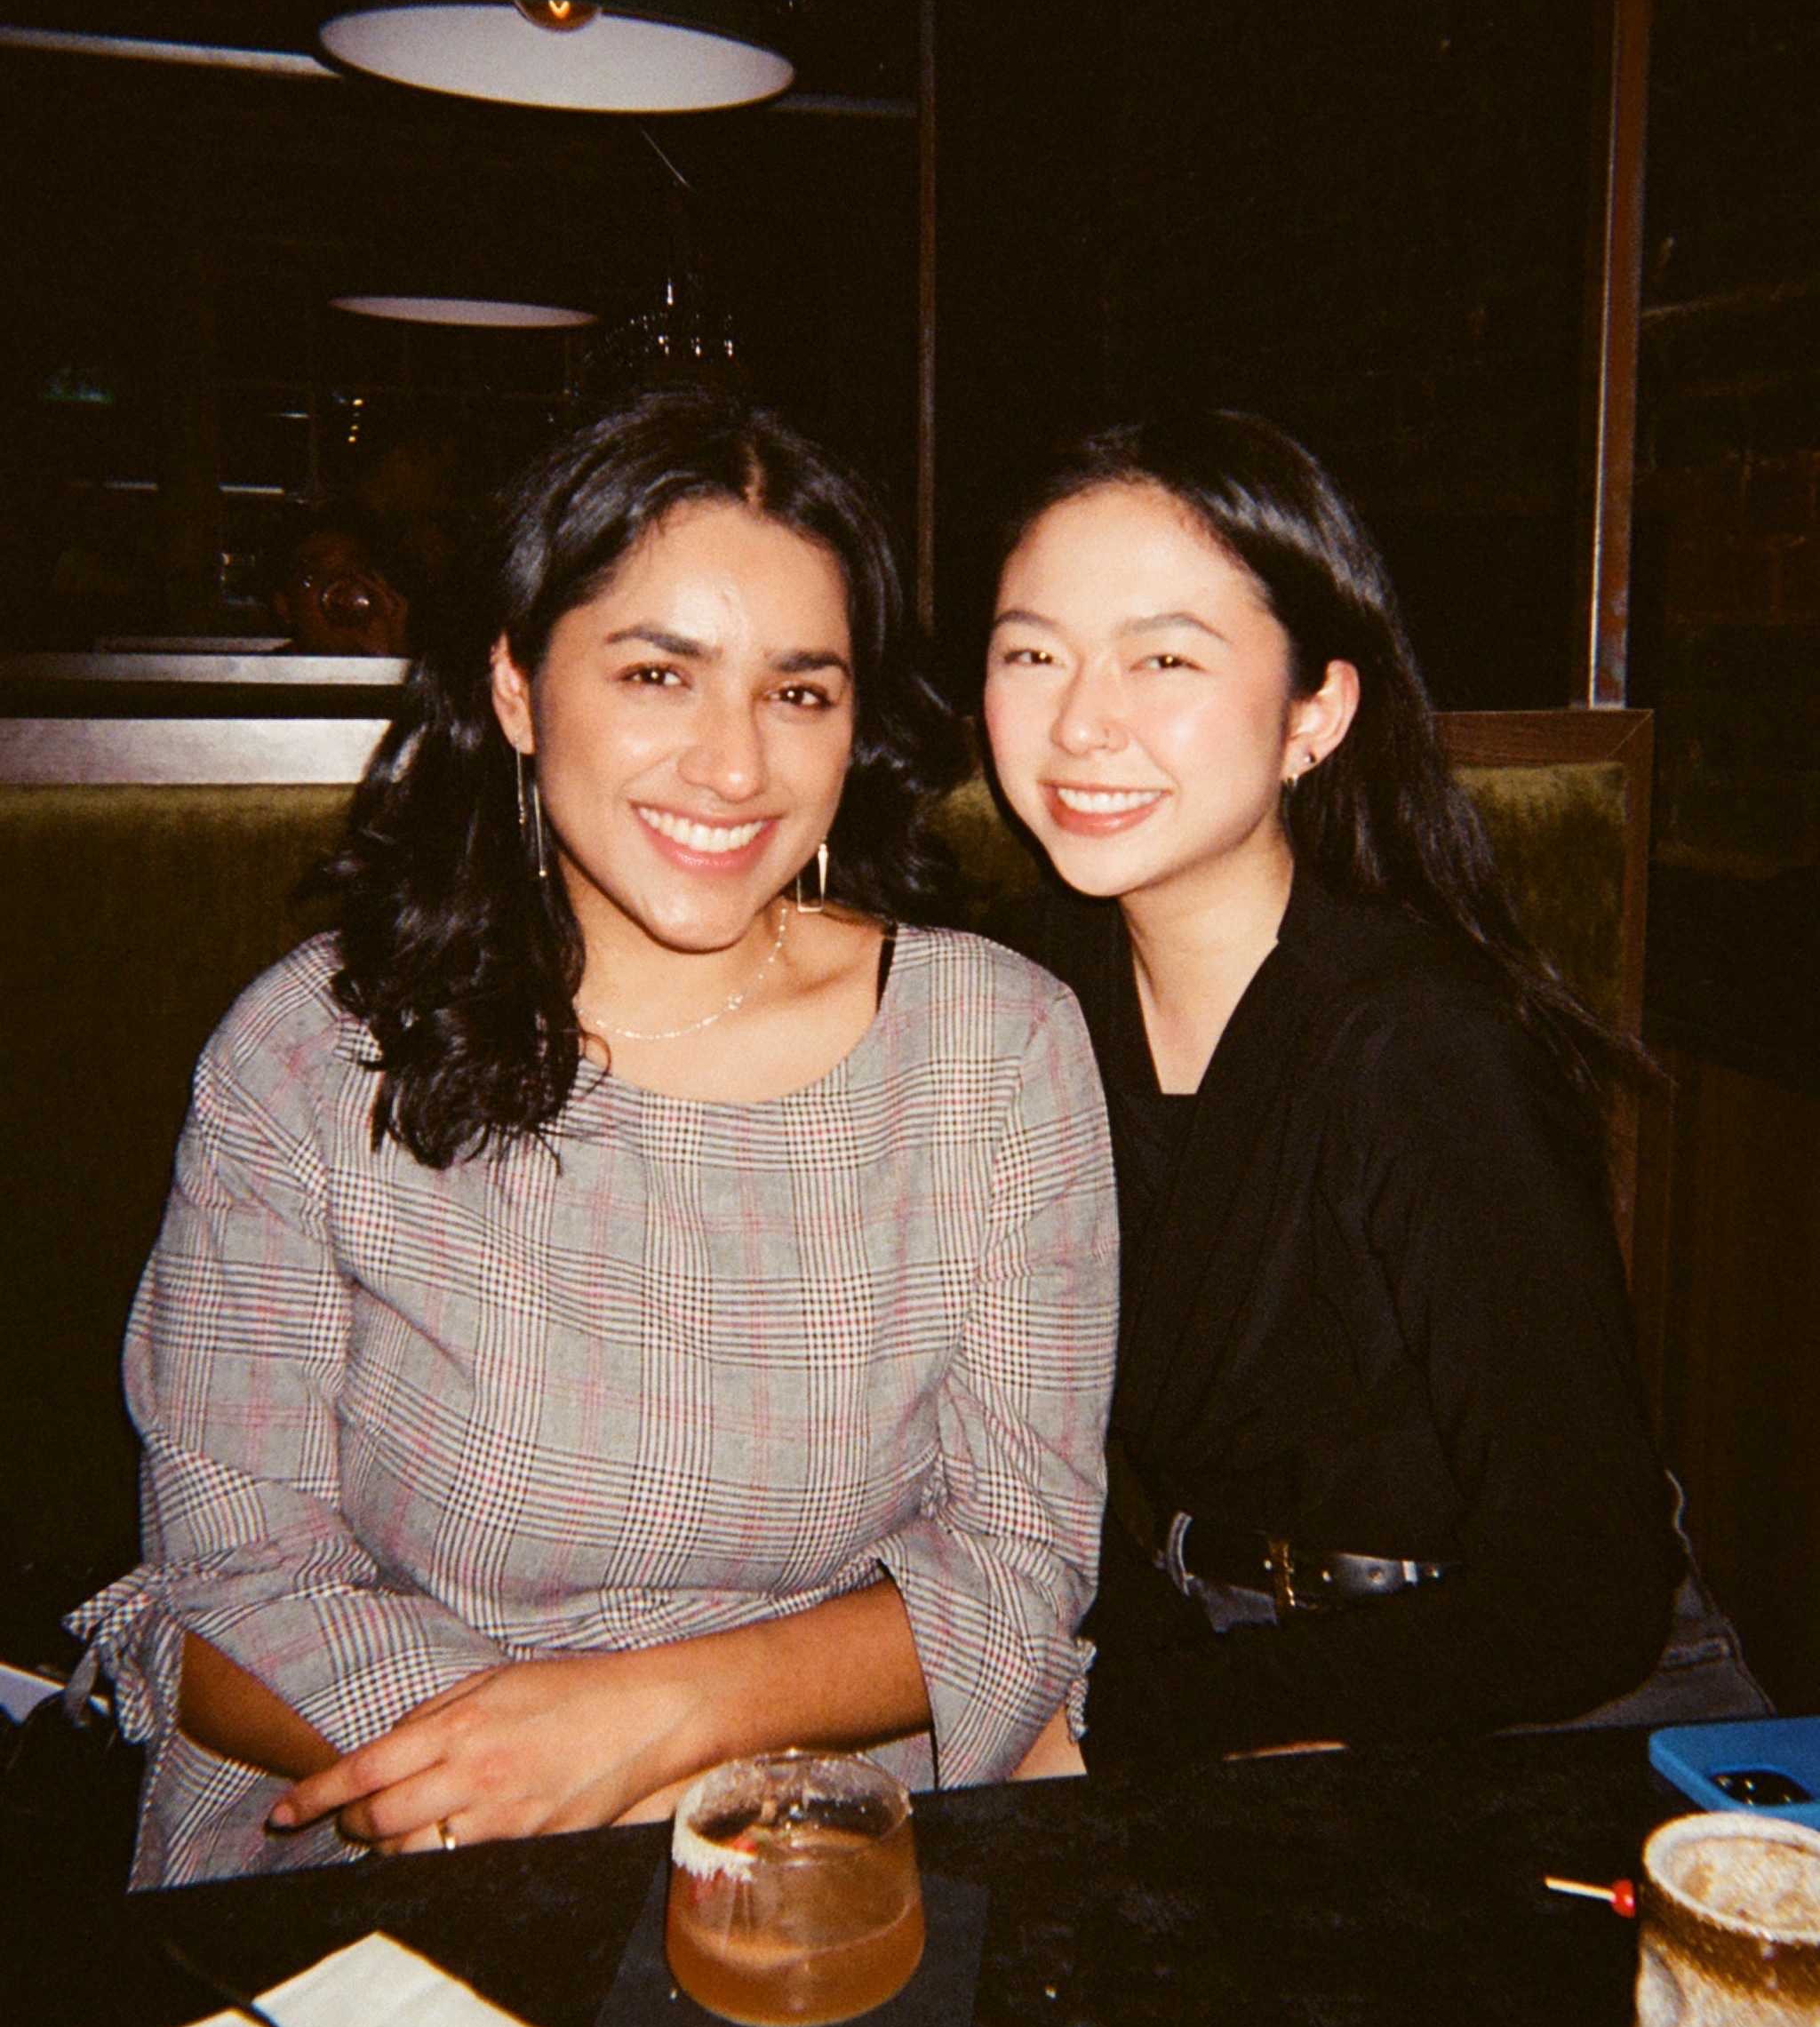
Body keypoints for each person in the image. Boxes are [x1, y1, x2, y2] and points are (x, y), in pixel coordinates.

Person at [71, 387, 1116, 1887]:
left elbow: (1015, 1572)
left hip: (830, 1837)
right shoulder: (312, 1050)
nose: (733, 765)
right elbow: (224, 1589)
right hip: (400, 1819)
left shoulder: (991, 1049)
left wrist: (647, 1732)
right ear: (513, 688)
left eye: (798, 691)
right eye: (655, 673)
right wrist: (521, 1770)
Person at [982, 409, 1753, 1779]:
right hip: (1218, 1660)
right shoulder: (1028, 1000)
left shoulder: (1422, 1044)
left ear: (1315, 714)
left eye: (1163, 656)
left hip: (1533, 1712)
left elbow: (1584, 1591)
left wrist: (1145, 1718)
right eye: (1033, 652)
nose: (1081, 720)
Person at [271, 517, 412, 658]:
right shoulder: (260, 675)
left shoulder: (398, 659)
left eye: (355, 572)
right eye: (317, 575)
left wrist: (394, 658)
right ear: (284, 606)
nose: (339, 590)